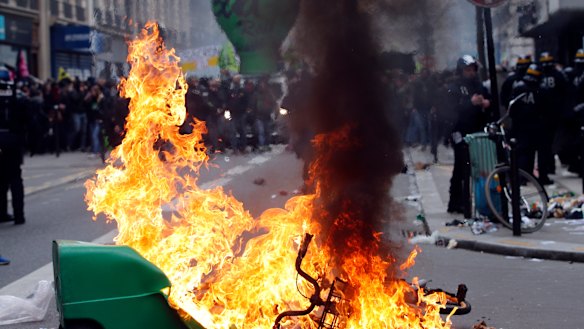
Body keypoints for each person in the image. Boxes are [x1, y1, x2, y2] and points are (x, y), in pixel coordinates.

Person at [446, 55, 492, 217]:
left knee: (479, 168)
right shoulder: (453, 87)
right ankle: (457, 202)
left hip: (477, 131)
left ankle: (476, 201)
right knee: (461, 167)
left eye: (473, 69)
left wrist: (486, 103)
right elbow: (450, 111)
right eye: (467, 70)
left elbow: (489, 100)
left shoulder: (479, 85)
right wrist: (469, 103)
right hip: (460, 131)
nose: (471, 73)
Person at [509, 64, 545, 178]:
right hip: (533, 125)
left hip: (521, 125)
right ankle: (525, 176)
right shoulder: (539, 89)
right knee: (529, 152)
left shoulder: (518, 87)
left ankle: (522, 176)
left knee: (523, 151)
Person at [0, 66, 26, 225]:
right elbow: (27, 117)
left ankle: (2, 212)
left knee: (0, 180)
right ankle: (19, 215)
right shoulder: (17, 96)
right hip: (13, 140)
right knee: (15, 177)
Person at [539, 52, 569, 184]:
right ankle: (549, 166)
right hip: (552, 115)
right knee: (549, 143)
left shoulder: (541, 75)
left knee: (547, 144)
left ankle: (548, 167)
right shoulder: (557, 75)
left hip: (547, 115)